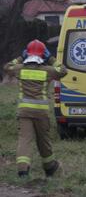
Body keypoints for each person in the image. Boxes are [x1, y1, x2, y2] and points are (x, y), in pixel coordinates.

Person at [3, 39, 67, 177]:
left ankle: (22, 170)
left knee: (24, 140)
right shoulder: (48, 70)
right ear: (42, 55)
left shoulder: (20, 69)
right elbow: (63, 70)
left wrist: (20, 57)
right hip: (41, 112)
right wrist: (50, 59)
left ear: (28, 54)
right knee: (43, 140)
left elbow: (7, 66)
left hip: (24, 111)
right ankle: (50, 168)